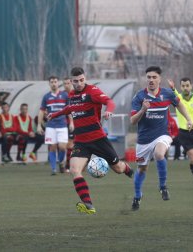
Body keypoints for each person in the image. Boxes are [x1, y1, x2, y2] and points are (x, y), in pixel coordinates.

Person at [48, 67, 133, 214]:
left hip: (98, 139)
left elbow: (109, 101)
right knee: (75, 170)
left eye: (82, 80)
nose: (79, 83)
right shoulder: (72, 94)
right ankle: (88, 203)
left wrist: (109, 110)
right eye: (76, 81)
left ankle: (130, 171)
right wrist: (55, 114)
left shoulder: (93, 91)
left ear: (85, 78)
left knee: (118, 168)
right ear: (71, 82)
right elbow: (71, 108)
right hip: (81, 142)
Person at [130, 66, 193, 210]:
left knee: (159, 153)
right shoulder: (139, 97)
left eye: (154, 77)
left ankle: (163, 186)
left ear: (160, 79)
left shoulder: (167, 94)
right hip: (143, 140)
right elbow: (133, 121)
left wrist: (189, 119)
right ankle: (137, 195)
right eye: (149, 77)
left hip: (162, 135)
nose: (151, 80)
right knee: (141, 169)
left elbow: (180, 105)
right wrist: (143, 110)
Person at [168, 74, 193, 190]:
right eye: (183, 86)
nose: (185, 88)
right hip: (184, 133)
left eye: (187, 85)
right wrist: (172, 88)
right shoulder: (178, 98)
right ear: (180, 87)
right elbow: (173, 94)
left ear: (191, 86)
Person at [38, 76, 74, 175]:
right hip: (50, 126)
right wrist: (39, 125)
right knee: (52, 147)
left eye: (55, 82)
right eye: (52, 82)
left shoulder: (64, 95)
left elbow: (69, 110)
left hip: (62, 125)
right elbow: (41, 111)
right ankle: (53, 169)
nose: (54, 83)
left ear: (58, 83)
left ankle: (61, 162)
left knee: (62, 147)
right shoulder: (46, 97)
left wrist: (71, 122)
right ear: (49, 84)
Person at [63, 77, 74, 172]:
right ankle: (67, 165)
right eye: (65, 83)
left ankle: (71, 165)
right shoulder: (63, 95)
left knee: (74, 143)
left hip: (76, 122)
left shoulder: (74, 94)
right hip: (66, 123)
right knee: (69, 144)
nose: (66, 85)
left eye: (68, 83)